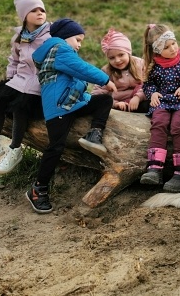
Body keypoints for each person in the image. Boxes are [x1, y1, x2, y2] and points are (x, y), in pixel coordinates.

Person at [26, 18, 117, 214]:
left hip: (71, 104)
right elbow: (81, 69)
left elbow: (73, 81)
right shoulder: (58, 49)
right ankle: (38, 188)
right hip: (59, 108)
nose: (79, 44)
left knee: (103, 101)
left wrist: (87, 96)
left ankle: (94, 134)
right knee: (56, 147)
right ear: (66, 36)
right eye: (78, 39)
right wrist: (105, 80)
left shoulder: (59, 51)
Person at [0, 0, 50, 174]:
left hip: (40, 84)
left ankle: (15, 149)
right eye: (34, 10)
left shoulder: (50, 35)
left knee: (20, 106)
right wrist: (11, 78)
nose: (40, 13)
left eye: (42, 10)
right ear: (24, 16)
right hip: (21, 80)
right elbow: (14, 60)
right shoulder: (19, 38)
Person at [140, 24, 180, 192]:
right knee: (159, 123)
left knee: (178, 127)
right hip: (163, 101)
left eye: (173, 43)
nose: (172, 49)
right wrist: (153, 94)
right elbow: (148, 84)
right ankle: (155, 168)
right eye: (166, 47)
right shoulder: (154, 65)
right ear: (157, 51)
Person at [92, 28, 149, 113]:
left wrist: (138, 97)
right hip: (120, 105)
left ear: (128, 52)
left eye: (121, 55)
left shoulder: (141, 64)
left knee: (149, 104)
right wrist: (115, 104)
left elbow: (150, 84)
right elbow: (98, 93)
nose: (117, 60)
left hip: (140, 100)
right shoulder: (106, 71)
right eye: (112, 58)